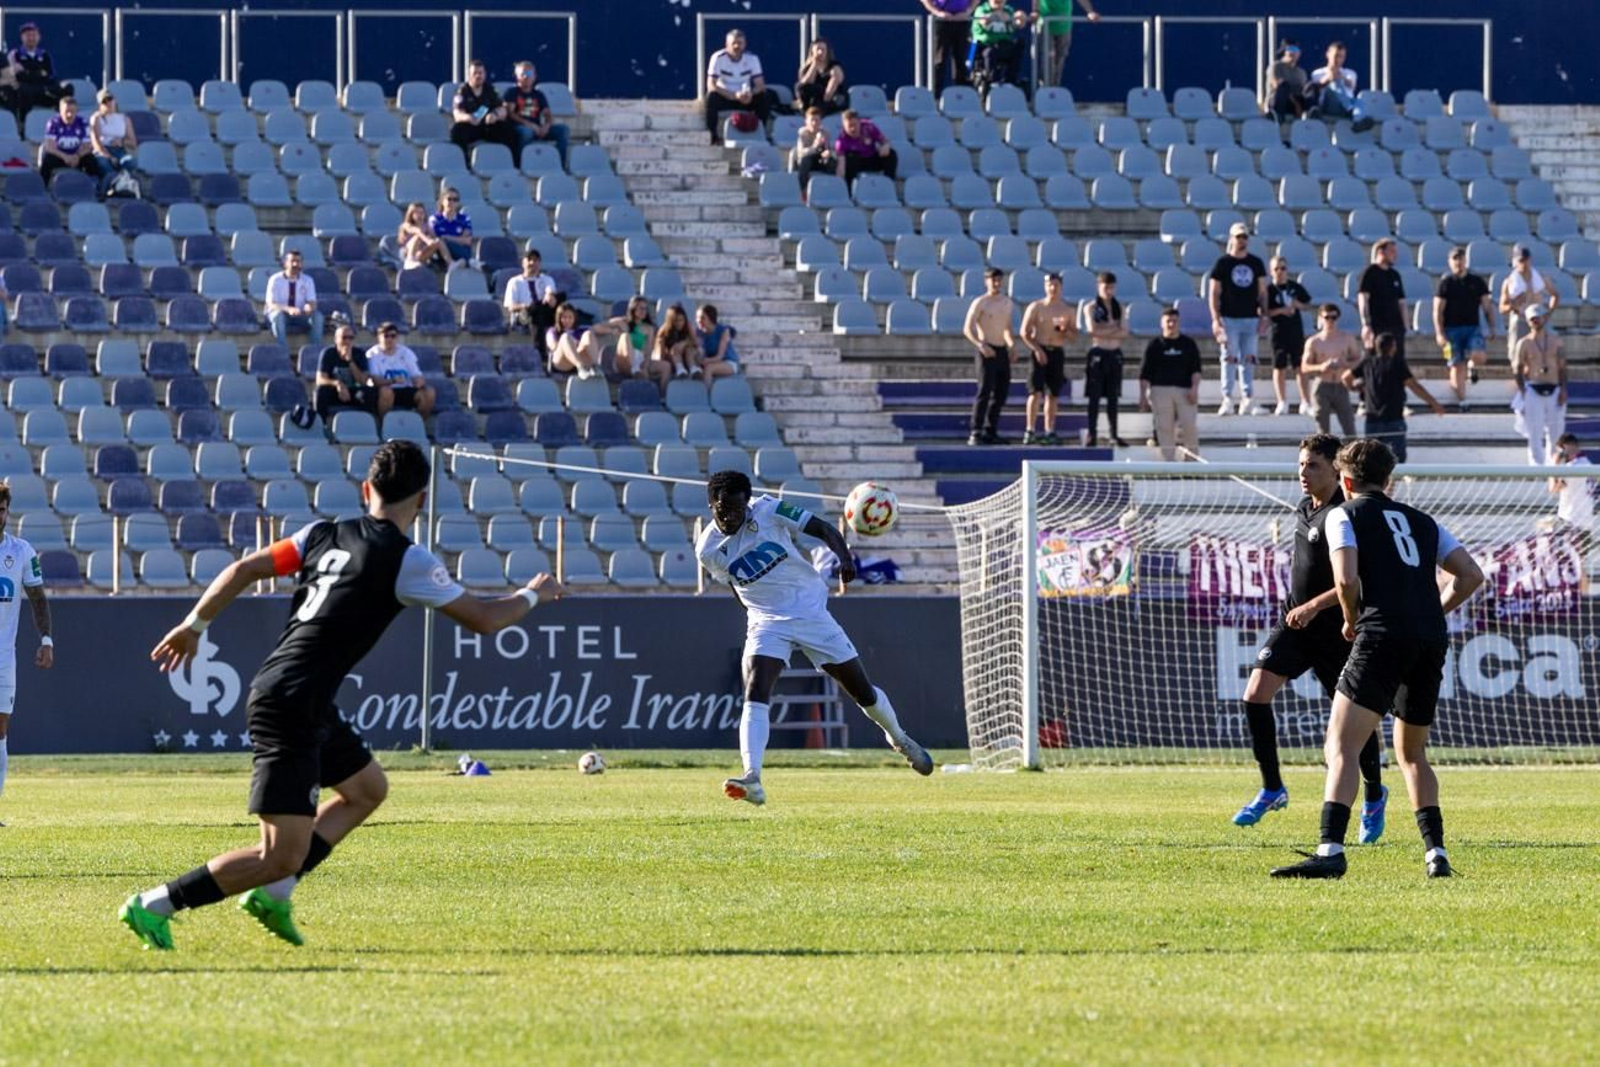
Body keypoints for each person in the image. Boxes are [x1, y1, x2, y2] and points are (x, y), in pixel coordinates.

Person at [120, 442, 565, 950]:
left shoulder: (321, 533)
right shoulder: (406, 560)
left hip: (300, 697)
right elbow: (485, 619)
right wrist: (535, 593)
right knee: (277, 854)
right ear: (421, 501)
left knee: (367, 789)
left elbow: (244, 568)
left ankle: (274, 896)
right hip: (291, 704)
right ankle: (155, 904)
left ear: (366, 489)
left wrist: (193, 624)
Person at [1270, 438, 1483, 880]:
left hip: (1381, 635)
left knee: (1340, 745)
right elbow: (1471, 575)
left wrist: (1350, 621)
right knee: (1412, 754)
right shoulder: (1424, 521)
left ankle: (1330, 850)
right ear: (1390, 481)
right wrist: (1431, 611)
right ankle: (1436, 853)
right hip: (1429, 639)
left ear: (1345, 480)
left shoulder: (1343, 514)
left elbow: (1346, 579)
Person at [696, 469, 934, 807]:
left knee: (862, 692)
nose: (731, 516)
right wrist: (755, 613)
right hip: (766, 621)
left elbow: (822, 528)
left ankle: (899, 739)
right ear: (711, 506)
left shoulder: (768, 510)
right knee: (755, 690)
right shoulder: (707, 549)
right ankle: (753, 777)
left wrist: (846, 558)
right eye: (723, 510)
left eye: (737, 509)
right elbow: (735, 585)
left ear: (747, 504)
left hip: (810, 611)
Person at [1232, 434, 1387, 834]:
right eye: (1301, 464)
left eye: (1313, 465)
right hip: (1295, 626)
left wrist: (1315, 605)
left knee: (1354, 724)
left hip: (1337, 632)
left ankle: (1373, 793)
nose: (1304, 472)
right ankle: (1272, 788)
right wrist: (1298, 607)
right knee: (1254, 695)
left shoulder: (1347, 515)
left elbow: (1355, 581)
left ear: (1336, 470)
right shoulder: (1304, 508)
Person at [0, 482, 52, 828]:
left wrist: (46, 639)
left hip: (4, 658)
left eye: (2, 509)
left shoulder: (21, 552)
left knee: (0, 732)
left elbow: (37, 598)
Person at [1344, 333, 1446, 464]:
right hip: (1394, 419)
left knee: (1371, 462)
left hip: (1372, 420)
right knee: (1397, 461)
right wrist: (1434, 403)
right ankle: (1393, 484)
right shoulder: (1397, 363)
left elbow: (1346, 377)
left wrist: (1356, 389)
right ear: (1393, 347)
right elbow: (1414, 386)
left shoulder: (1368, 363)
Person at [1208, 223, 1268, 416]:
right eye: (1238, 237)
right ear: (1231, 238)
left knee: (1249, 358)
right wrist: (1216, 320)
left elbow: (1262, 291)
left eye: (1244, 237)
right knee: (1229, 358)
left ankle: (1247, 397)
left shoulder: (1256, 263)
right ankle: (1227, 397)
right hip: (1229, 317)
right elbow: (1214, 293)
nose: (1242, 240)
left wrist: (1264, 315)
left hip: (1250, 317)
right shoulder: (1223, 263)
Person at [1433, 246, 1496, 408]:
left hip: (1472, 327)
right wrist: (1439, 333)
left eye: (1460, 258)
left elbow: (1487, 307)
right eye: (1455, 259)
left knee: (1479, 355)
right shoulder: (1445, 284)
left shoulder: (1477, 282)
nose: (1458, 262)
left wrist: (1492, 326)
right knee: (1455, 364)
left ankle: (1472, 367)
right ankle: (1462, 400)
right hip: (1451, 330)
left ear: (1465, 260)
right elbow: (1437, 311)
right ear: (1450, 262)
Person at [1020, 272, 1078, 445]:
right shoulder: (1036, 307)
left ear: (1061, 287)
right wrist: (1037, 349)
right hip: (1040, 349)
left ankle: (1049, 430)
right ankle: (1030, 429)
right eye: (1049, 285)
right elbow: (1024, 332)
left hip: (1057, 351)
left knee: (1053, 394)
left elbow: (1074, 336)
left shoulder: (1067, 310)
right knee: (1035, 391)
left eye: (1056, 285)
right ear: (1045, 286)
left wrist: (1065, 331)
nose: (1052, 288)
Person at [1138, 307, 1201, 461]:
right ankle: (1169, 464)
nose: (1171, 324)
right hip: (1160, 390)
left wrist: (1194, 389)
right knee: (1164, 429)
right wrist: (1143, 397)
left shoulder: (1188, 344)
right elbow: (1144, 374)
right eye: (1168, 321)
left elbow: (1196, 370)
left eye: (1174, 321)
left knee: (1189, 427)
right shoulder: (1154, 345)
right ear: (1162, 323)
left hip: (1184, 390)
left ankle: (1192, 463)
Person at [963, 267, 1018, 446]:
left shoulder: (1007, 303)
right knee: (984, 390)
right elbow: (967, 328)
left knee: (1001, 393)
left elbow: (1007, 328)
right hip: (986, 349)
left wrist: (1011, 345)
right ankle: (975, 430)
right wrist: (980, 345)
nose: (996, 284)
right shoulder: (981, 302)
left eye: (999, 280)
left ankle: (990, 429)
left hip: (1001, 349)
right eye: (993, 280)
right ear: (986, 281)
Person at [1513, 304, 1566, 467]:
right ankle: (1536, 465)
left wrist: (1563, 389)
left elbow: (1562, 366)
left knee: (1555, 430)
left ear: (1545, 318)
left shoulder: (1556, 341)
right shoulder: (1524, 343)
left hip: (1554, 386)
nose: (1536, 321)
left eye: (1539, 317)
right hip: (1534, 387)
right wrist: (1522, 389)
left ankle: (1553, 464)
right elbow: (1517, 367)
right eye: (1533, 319)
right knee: (1534, 430)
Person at [1080, 271, 1129, 447]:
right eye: (1105, 287)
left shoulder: (1119, 307)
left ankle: (1113, 434)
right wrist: (1114, 329)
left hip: (1114, 353)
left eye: (1111, 287)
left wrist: (1107, 329)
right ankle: (1092, 433)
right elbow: (1092, 330)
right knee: (1094, 397)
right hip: (1098, 353)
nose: (1108, 291)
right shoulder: (1091, 307)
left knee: (1113, 397)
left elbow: (1125, 332)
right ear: (1098, 286)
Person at [1300, 304, 1362, 437]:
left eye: (1334, 317)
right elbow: (1304, 367)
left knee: (1349, 427)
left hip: (1341, 384)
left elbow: (1358, 361)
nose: (1330, 321)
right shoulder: (1314, 341)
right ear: (1321, 318)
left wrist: (1345, 363)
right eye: (1327, 317)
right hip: (1322, 385)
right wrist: (1321, 367)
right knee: (1322, 431)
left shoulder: (1347, 339)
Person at [704, 29, 774, 145]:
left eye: (740, 43)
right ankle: (713, 136)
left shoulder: (752, 59)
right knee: (711, 98)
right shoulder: (718, 58)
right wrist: (733, 95)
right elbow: (711, 85)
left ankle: (761, 133)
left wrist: (751, 93)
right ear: (727, 45)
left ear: (744, 44)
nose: (737, 46)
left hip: (745, 97)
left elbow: (760, 85)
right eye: (733, 43)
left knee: (764, 97)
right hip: (726, 96)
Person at [1265, 256, 1313, 416]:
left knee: (1300, 366)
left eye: (1283, 268)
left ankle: (1305, 401)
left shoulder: (1294, 287)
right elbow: (1263, 311)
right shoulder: (1268, 290)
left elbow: (1307, 304)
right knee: (1279, 366)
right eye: (1276, 269)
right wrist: (1281, 311)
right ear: (1271, 272)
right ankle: (1282, 401)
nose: (1280, 272)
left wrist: (1296, 305)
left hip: (1295, 330)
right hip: (1278, 331)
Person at [449, 59, 519, 166]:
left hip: (488, 125)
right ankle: (463, 164)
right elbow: (457, 114)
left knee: (509, 130)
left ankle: (513, 164)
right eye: (475, 73)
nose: (478, 76)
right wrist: (469, 118)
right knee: (457, 132)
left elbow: (502, 109)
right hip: (471, 125)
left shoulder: (490, 90)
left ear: (485, 74)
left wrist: (495, 115)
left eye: (480, 73)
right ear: (469, 75)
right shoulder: (462, 91)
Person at [1499, 246, 1557, 367]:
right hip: (1519, 318)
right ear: (1515, 261)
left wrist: (1548, 313)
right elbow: (1502, 308)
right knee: (1517, 356)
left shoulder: (1540, 278)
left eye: (1526, 260)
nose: (1524, 264)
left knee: (1540, 354)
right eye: (1521, 261)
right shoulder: (1509, 282)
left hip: (1538, 319)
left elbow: (1555, 295)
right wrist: (1513, 305)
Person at [505, 60, 569, 168]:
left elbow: (547, 114)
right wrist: (529, 125)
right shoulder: (511, 92)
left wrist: (546, 126)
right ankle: (519, 164)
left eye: (529, 74)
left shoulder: (539, 94)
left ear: (534, 76)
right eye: (523, 74)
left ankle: (560, 164)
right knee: (527, 133)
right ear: (517, 76)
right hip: (519, 127)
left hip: (537, 128)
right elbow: (510, 113)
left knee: (563, 130)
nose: (526, 77)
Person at [366, 323, 436, 418]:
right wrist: (393, 381)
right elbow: (376, 381)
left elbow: (417, 375)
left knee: (429, 393)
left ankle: (418, 424)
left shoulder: (406, 353)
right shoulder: (373, 354)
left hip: (405, 389)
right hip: (384, 391)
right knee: (386, 392)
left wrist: (418, 382)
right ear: (379, 337)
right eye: (386, 336)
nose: (390, 339)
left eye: (393, 336)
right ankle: (385, 426)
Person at [314, 324, 378, 425]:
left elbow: (363, 381)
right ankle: (321, 425)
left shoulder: (359, 354)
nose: (347, 341)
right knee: (320, 391)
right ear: (336, 339)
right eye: (344, 338)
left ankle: (367, 424)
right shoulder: (328, 353)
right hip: (335, 392)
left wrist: (350, 361)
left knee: (369, 392)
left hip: (354, 393)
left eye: (350, 338)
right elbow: (320, 379)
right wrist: (338, 383)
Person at [1306, 40, 1374, 132]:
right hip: (1327, 106)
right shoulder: (1318, 73)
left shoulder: (1350, 73)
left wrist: (1341, 77)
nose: (1337, 60)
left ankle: (1358, 121)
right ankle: (1350, 110)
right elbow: (1317, 86)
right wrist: (1329, 78)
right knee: (1335, 82)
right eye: (1335, 56)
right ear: (1328, 55)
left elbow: (1351, 84)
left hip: (1344, 106)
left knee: (1359, 100)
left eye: (1341, 57)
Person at [1357, 237, 1407, 360]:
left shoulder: (1395, 275)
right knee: (1376, 359)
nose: (1395, 255)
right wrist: (1366, 324)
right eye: (1392, 251)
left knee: (1397, 361)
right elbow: (1363, 299)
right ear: (1381, 252)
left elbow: (1401, 301)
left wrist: (1405, 325)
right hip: (1377, 326)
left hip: (1395, 326)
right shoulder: (1370, 272)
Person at [264, 250, 324, 350]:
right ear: (285, 263)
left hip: (300, 314)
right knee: (278, 317)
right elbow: (271, 303)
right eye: (293, 261)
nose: (296, 264)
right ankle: (282, 351)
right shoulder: (275, 279)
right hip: (281, 314)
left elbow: (312, 302)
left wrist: (309, 306)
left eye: (298, 261)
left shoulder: (308, 280)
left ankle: (314, 350)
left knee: (318, 316)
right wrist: (288, 309)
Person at [968, 0, 1030, 96]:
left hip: (1003, 45)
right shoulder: (981, 9)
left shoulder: (1009, 10)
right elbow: (984, 22)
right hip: (985, 46)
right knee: (990, 52)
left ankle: (1010, 81)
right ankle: (992, 81)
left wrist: (1020, 19)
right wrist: (999, 15)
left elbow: (1016, 24)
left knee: (1018, 45)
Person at [1033, 0, 1099, 89]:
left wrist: (1090, 11)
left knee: (1060, 59)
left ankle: (1055, 91)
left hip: (1064, 27)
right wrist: (1035, 11)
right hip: (1045, 25)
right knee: (1048, 58)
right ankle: (1046, 89)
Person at [1548, 433, 1594, 554]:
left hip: (1571, 520)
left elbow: (1553, 488)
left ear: (1565, 447)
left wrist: (1554, 465)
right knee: (1577, 565)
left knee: (1568, 564)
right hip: (1585, 521)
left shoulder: (1574, 467)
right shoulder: (1587, 463)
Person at [8, 23, 65, 121]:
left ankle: (60, 122)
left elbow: (50, 75)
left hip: (42, 89)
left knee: (65, 90)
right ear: (22, 37)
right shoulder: (15, 54)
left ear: (39, 37)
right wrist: (38, 73)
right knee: (22, 91)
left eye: (34, 35)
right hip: (25, 92)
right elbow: (16, 75)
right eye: (28, 35)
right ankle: (22, 124)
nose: (31, 38)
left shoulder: (44, 55)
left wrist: (28, 72)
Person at [88, 89, 138, 196]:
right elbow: (95, 142)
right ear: (100, 105)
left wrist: (122, 141)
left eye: (110, 100)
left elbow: (133, 143)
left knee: (130, 162)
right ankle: (108, 190)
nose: (108, 104)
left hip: (119, 150)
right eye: (104, 102)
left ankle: (120, 187)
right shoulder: (96, 118)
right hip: (102, 150)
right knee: (104, 164)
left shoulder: (124, 119)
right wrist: (108, 156)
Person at [38, 95, 95, 187]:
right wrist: (65, 157)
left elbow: (88, 146)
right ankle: (42, 188)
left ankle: (93, 187)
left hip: (77, 156)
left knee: (91, 160)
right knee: (47, 160)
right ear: (60, 111)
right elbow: (49, 146)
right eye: (66, 112)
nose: (69, 115)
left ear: (76, 111)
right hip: (60, 156)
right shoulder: (53, 123)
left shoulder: (83, 122)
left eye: (72, 112)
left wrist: (77, 156)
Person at [922, 0, 974, 93]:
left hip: (962, 21)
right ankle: (935, 94)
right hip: (941, 21)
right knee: (939, 59)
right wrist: (937, 12)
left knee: (960, 59)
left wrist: (967, 12)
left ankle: (962, 94)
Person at [833, 109, 898, 184]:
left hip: (871, 158)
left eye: (855, 124)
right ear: (844, 126)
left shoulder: (869, 127)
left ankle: (889, 183)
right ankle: (850, 189)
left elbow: (884, 141)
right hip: (857, 164)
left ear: (859, 122)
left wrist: (885, 146)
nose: (853, 129)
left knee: (891, 154)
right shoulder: (841, 141)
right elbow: (841, 164)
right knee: (851, 157)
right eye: (849, 126)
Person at [502, 249, 555, 336]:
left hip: (544, 310)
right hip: (524, 314)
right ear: (523, 263)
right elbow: (511, 307)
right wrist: (526, 306)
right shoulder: (515, 282)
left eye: (535, 260)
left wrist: (549, 296)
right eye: (529, 259)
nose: (532, 263)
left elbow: (550, 292)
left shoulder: (547, 279)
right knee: (536, 312)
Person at [546, 302, 603, 381]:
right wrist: (572, 343)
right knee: (565, 337)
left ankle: (595, 367)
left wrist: (614, 329)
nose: (568, 320)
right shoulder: (553, 331)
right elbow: (553, 346)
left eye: (570, 317)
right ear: (559, 318)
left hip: (577, 359)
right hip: (560, 362)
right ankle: (581, 368)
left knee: (588, 334)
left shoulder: (580, 330)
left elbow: (598, 327)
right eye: (564, 317)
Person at [650, 303, 698, 391]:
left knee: (689, 349)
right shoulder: (663, 331)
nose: (679, 323)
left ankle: (693, 369)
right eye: (676, 321)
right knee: (674, 350)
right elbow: (659, 356)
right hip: (670, 358)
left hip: (686, 356)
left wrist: (684, 343)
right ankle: (680, 369)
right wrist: (670, 350)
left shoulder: (688, 326)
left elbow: (696, 342)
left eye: (681, 320)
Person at [795, 38, 846, 115]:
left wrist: (826, 99)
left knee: (818, 106)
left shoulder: (834, 66)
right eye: (818, 49)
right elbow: (806, 84)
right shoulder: (807, 67)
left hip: (830, 98)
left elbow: (834, 83)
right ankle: (806, 111)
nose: (821, 52)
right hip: (814, 99)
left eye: (823, 49)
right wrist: (814, 64)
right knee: (799, 86)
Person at [791, 107, 836, 192]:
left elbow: (827, 150)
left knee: (832, 162)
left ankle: (830, 188)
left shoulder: (825, 133)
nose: (814, 123)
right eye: (812, 120)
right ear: (806, 121)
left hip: (819, 160)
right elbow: (801, 153)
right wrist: (815, 146)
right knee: (806, 161)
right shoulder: (802, 134)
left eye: (817, 120)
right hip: (806, 161)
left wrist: (827, 152)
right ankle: (803, 189)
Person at [1264, 40, 1308, 122]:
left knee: (1311, 89)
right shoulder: (1275, 67)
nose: (1293, 53)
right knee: (1283, 85)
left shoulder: (1301, 72)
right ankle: (1277, 117)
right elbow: (1278, 86)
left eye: (1295, 50)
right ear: (1284, 52)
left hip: (1295, 104)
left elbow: (1302, 91)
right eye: (1290, 49)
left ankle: (1313, 116)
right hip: (1277, 102)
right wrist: (1296, 104)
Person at [695, 304, 739, 385]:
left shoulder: (723, 331)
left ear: (710, 318)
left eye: (702, 318)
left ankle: (706, 394)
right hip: (710, 361)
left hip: (728, 362)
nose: (698, 321)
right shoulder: (699, 333)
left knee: (709, 368)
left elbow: (720, 356)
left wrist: (706, 361)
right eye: (697, 318)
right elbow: (701, 350)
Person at [612, 296, 656, 379]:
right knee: (625, 336)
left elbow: (649, 350)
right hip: (623, 359)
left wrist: (645, 367)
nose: (644, 311)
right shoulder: (623, 322)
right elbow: (606, 324)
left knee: (665, 366)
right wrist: (620, 324)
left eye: (645, 309)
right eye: (641, 308)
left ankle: (663, 391)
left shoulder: (649, 328)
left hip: (638, 358)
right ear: (633, 309)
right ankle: (634, 369)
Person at [428, 190, 473, 270]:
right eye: (449, 199)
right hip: (441, 253)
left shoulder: (464, 219)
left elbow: (467, 241)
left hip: (460, 250)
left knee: (464, 250)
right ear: (442, 201)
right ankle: (457, 263)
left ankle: (465, 262)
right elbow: (435, 239)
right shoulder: (435, 219)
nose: (452, 202)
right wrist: (456, 239)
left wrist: (448, 237)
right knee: (439, 242)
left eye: (455, 200)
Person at [397, 202, 443, 272]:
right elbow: (417, 231)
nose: (419, 215)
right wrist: (427, 240)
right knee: (418, 237)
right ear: (411, 214)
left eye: (422, 213)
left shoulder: (426, 225)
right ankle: (410, 261)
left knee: (438, 241)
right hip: (407, 252)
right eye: (416, 213)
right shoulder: (406, 225)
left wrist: (433, 241)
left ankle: (450, 262)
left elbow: (434, 237)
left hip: (420, 253)